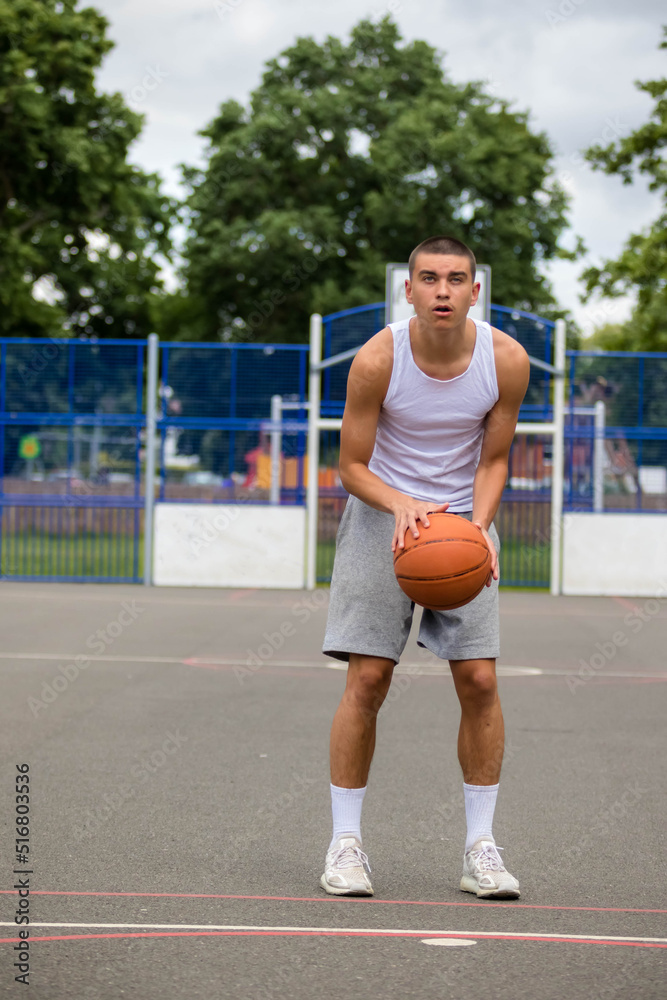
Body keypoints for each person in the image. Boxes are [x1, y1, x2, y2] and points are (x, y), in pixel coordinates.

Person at [320, 235, 530, 899]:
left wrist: (480, 526)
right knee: (369, 677)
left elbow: (493, 460)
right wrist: (401, 501)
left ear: (475, 290)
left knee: (477, 680)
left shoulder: (505, 359)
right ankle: (345, 845)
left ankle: (480, 849)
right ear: (406, 290)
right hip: (382, 514)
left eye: (456, 278)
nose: (442, 290)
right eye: (429, 278)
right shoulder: (378, 358)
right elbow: (349, 466)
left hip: (460, 527)